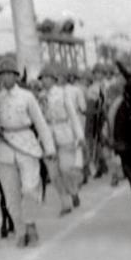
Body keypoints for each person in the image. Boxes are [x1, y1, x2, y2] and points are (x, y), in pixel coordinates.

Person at [0, 56, 56, 247]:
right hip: (5, 150)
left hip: (27, 146)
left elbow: (40, 123)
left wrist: (49, 147)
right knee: (11, 195)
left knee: (29, 188)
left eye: (10, 74)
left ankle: (30, 223)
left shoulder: (27, 97)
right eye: (3, 75)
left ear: (16, 76)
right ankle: (20, 231)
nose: (7, 78)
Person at [38, 64, 83, 215]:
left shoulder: (63, 93)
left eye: (47, 78)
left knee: (66, 168)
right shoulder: (40, 97)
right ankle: (65, 203)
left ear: (53, 79)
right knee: (54, 173)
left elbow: (73, 115)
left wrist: (79, 135)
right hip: (48, 135)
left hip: (64, 131)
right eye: (42, 78)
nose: (44, 81)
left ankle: (73, 190)